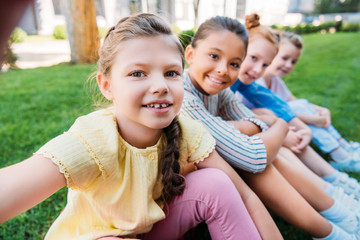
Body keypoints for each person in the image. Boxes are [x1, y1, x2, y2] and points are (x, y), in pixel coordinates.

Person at [0, 13, 265, 240]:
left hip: (146, 230)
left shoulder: (185, 129)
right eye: (137, 73)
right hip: (93, 236)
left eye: (171, 73)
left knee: (216, 182)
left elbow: (246, 197)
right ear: (107, 86)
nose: (161, 86)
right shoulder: (91, 141)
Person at [181, 13, 359, 239]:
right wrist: (279, 124)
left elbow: (252, 123)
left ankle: (343, 216)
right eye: (214, 56)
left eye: (234, 63)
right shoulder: (185, 98)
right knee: (262, 162)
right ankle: (335, 229)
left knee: (273, 152)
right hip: (186, 184)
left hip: (221, 161)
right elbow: (252, 157)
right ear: (190, 54)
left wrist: (266, 124)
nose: (223, 69)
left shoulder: (220, 90)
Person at [231, 30, 360, 200]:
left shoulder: (249, 82)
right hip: (244, 142)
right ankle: (335, 174)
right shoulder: (237, 81)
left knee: (294, 110)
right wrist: (281, 129)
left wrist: (304, 127)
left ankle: (337, 173)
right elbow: (239, 115)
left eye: (264, 64)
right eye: (253, 58)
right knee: (277, 121)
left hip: (256, 133)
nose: (257, 69)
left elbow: (280, 105)